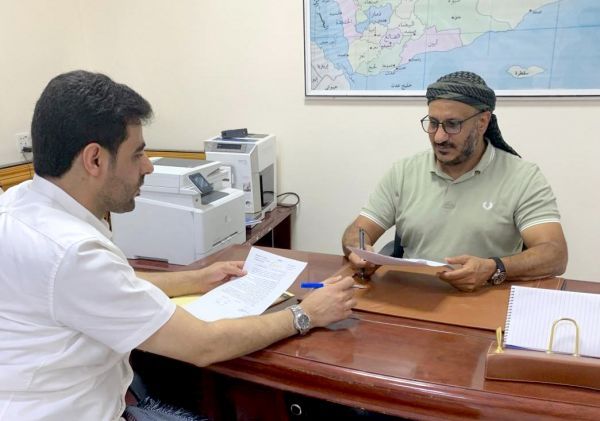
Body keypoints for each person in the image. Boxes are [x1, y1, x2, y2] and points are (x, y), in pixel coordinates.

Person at [0, 70, 357, 420]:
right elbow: (204, 344)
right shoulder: (74, 252)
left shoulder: (18, 203)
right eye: (137, 154)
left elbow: (112, 284)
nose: (148, 167)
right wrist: (306, 314)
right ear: (95, 159)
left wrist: (195, 278)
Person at [342, 71, 567, 292]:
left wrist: (493, 268)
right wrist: (358, 250)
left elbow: (555, 254)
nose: (439, 137)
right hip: (413, 295)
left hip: (484, 298)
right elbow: (357, 231)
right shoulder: (404, 171)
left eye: (452, 125)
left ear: (482, 122)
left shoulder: (523, 176)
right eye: (433, 123)